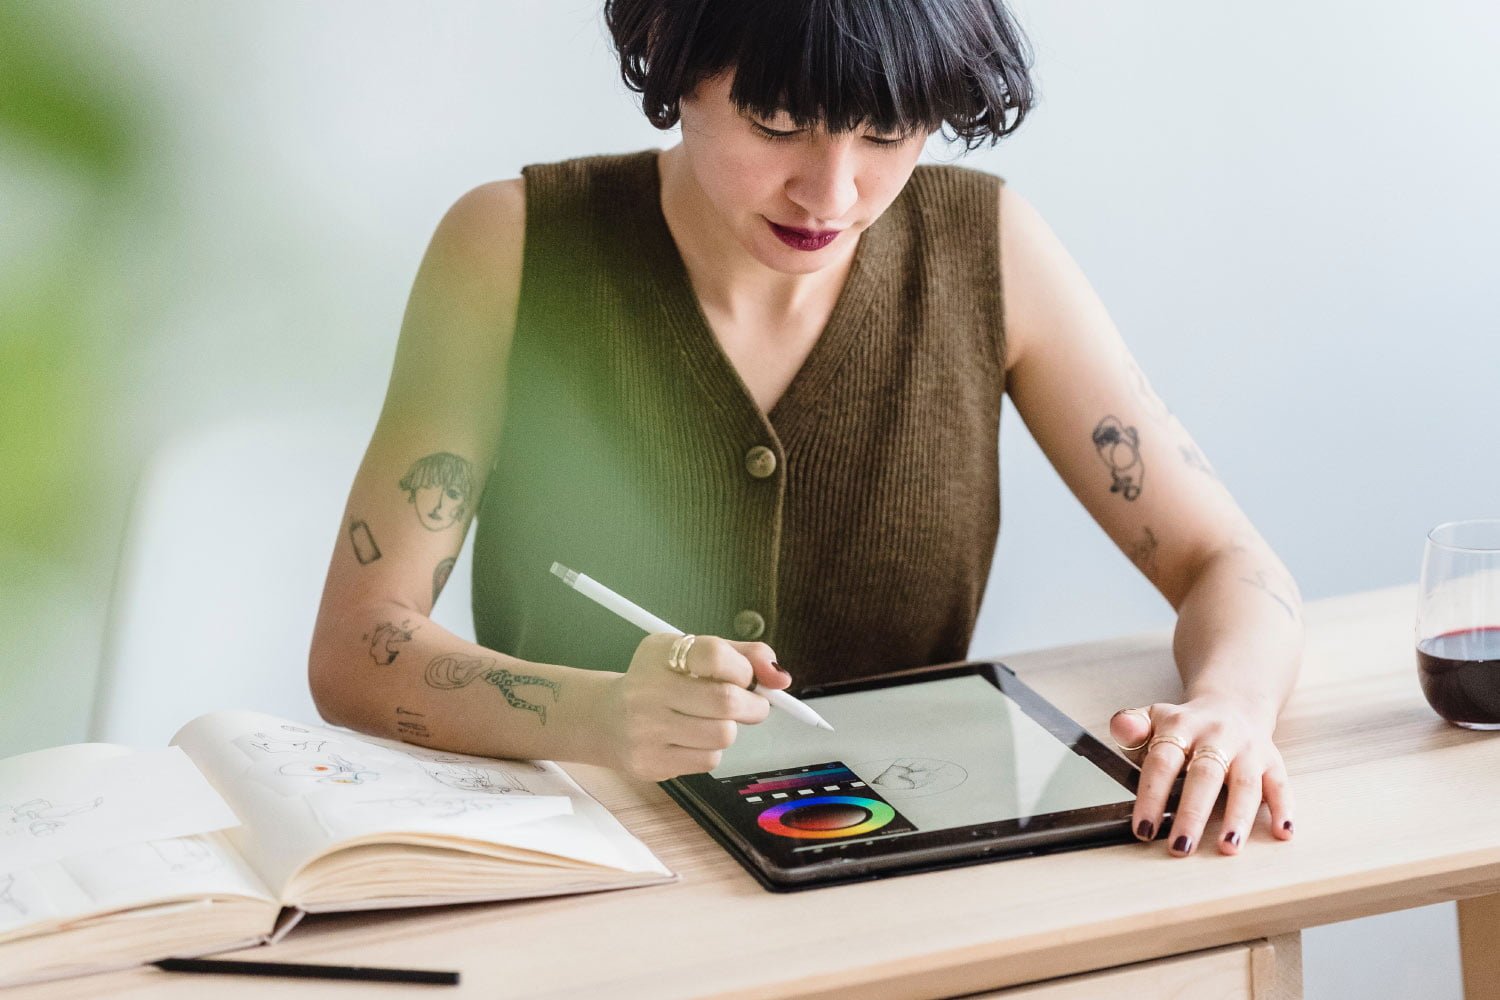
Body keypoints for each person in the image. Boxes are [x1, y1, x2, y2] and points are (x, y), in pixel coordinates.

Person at [310, 0, 1300, 860]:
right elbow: (356, 643)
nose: (831, 194)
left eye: (887, 133)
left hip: (907, 878)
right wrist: (603, 715)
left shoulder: (987, 250)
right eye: (777, 123)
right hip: (593, 874)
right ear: (674, 58)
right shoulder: (517, 246)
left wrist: (1231, 705)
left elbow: (1226, 561)